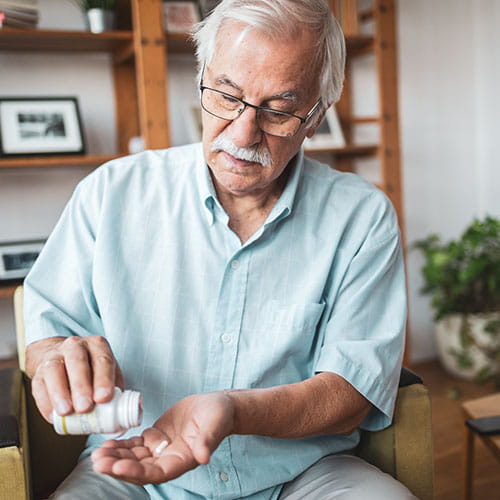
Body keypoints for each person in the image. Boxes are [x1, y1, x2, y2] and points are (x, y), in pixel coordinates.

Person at [24, 1, 415, 498]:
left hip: (301, 474)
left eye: (278, 111)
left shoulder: (362, 217)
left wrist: (233, 411)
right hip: (126, 468)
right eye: (226, 97)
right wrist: (61, 358)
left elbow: (349, 394)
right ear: (201, 79)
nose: (242, 133)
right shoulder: (111, 193)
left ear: (315, 116)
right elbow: (46, 335)